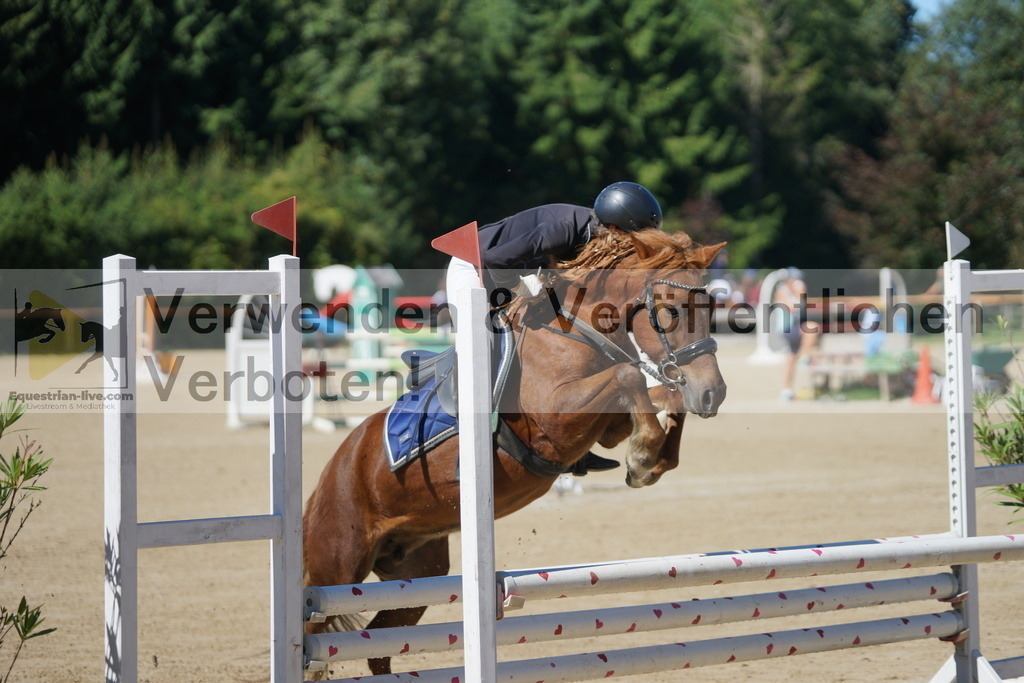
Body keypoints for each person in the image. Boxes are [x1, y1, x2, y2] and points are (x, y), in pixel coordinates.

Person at [445, 181, 664, 474]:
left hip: (507, 270)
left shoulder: (596, 236)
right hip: (473, 269)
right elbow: (494, 260)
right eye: (632, 238)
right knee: (481, 348)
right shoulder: (562, 228)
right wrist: (523, 284)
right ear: (615, 227)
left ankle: (578, 447)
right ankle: (467, 444)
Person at [773, 268, 820, 400]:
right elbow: (793, 307)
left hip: (794, 326)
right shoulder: (782, 291)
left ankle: (786, 390)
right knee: (812, 327)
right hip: (788, 328)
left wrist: (800, 293)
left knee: (791, 357)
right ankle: (805, 356)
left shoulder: (794, 290)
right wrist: (798, 292)